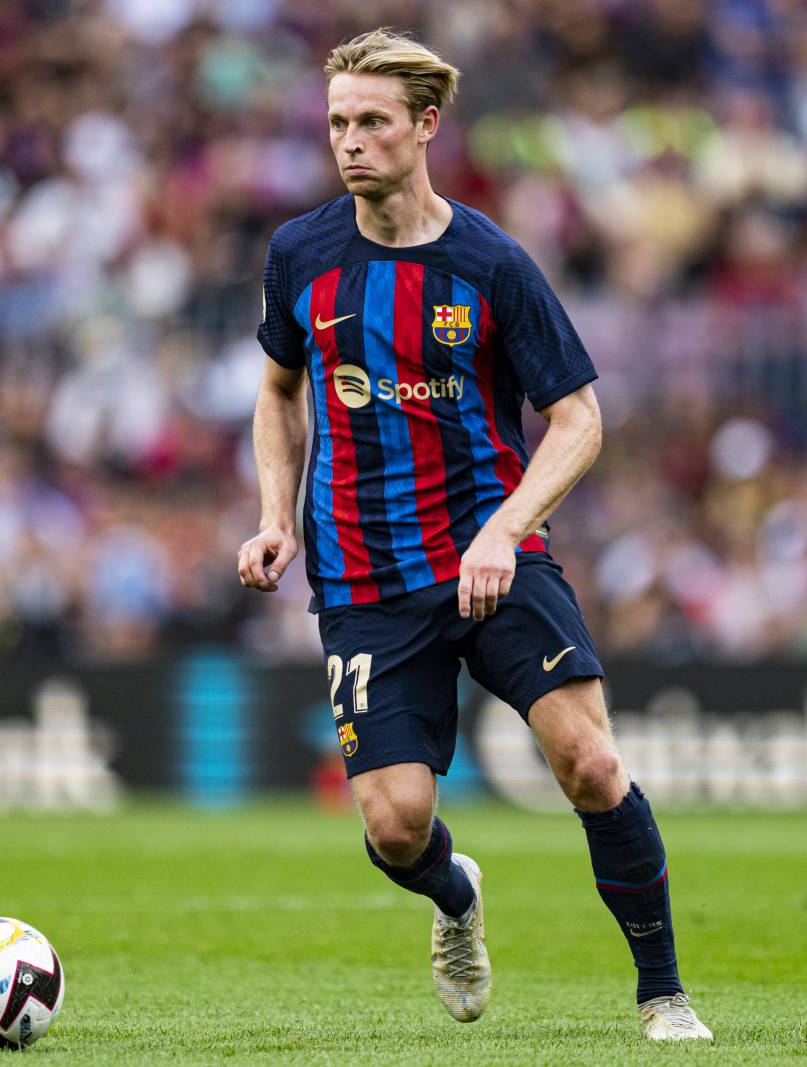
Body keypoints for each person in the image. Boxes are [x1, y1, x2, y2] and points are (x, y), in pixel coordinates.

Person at [236, 29, 711, 1041]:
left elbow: (577, 418)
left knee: (589, 762)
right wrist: (275, 516)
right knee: (395, 826)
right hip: (363, 575)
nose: (349, 141)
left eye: (371, 121)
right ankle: (455, 895)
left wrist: (506, 528)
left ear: (424, 126)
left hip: (494, 555)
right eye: (337, 122)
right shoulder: (299, 255)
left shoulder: (491, 263)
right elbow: (277, 391)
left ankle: (664, 994)